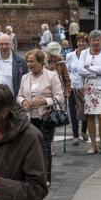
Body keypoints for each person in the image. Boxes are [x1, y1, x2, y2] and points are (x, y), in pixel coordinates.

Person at [17, 49, 64, 185]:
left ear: (40, 62)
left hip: (46, 117)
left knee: (45, 147)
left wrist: (45, 101)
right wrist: (23, 102)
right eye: (28, 62)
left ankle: (46, 177)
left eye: (32, 61)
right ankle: (30, 175)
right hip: (29, 118)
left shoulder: (51, 76)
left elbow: (60, 97)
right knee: (29, 148)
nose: (29, 64)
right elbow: (19, 95)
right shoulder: (25, 77)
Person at [78, 30, 101, 154]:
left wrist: (89, 68)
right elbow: (80, 70)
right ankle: (93, 145)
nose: (96, 42)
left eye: (98, 39)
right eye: (93, 39)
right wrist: (96, 71)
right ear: (89, 41)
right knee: (90, 117)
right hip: (89, 88)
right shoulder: (83, 53)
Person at [65, 33, 90, 146]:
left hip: (85, 87)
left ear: (86, 43)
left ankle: (84, 130)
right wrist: (67, 85)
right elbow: (67, 70)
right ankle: (75, 136)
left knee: (85, 111)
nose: (81, 43)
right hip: (73, 86)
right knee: (73, 111)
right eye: (79, 41)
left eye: (83, 41)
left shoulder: (90, 55)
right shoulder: (70, 55)